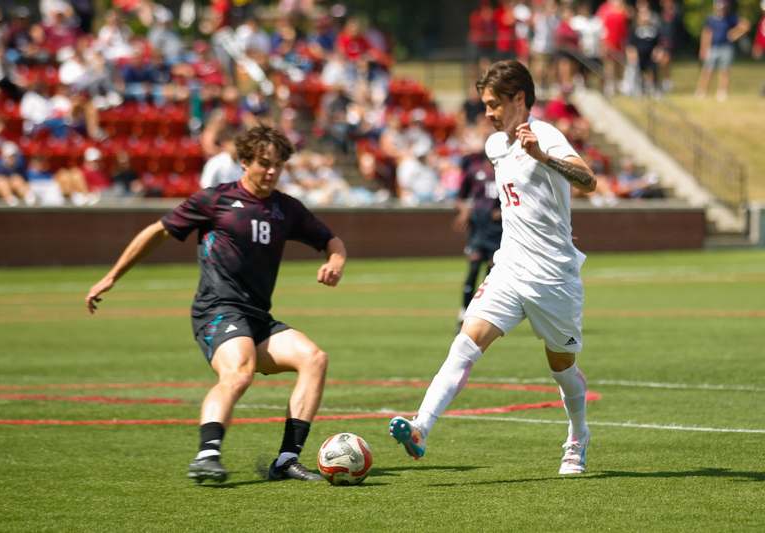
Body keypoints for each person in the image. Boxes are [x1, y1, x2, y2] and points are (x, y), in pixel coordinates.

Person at [85, 126, 347, 484]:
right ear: (244, 162)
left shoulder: (286, 209)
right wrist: (112, 276)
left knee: (314, 358)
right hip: (217, 309)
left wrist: (336, 261)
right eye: (264, 163)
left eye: (278, 166)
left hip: (257, 317)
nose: (271, 172)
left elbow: (332, 240)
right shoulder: (215, 200)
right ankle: (207, 454)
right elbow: (157, 231)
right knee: (239, 371)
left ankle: (286, 460)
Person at [389, 60, 597, 475]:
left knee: (562, 367)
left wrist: (543, 156)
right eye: (484, 104)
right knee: (465, 345)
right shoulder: (495, 146)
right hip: (508, 269)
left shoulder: (547, 135)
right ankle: (421, 428)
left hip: (553, 277)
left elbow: (588, 181)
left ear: (519, 99)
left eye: (493, 104)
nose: (487, 113)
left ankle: (578, 436)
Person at [453, 153, 503, 330]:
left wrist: (504, 212)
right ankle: (464, 311)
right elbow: (460, 197)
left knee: (491, 275)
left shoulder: (508, 171)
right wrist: (464, 210)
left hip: (499, 232)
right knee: (473, 268)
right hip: (478, 230)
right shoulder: (474, 172)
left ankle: (483, 316)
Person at [695, 0, 750, 101]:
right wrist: (703, 48)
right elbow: (706, 33)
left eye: (723, 7)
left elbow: (746, 25)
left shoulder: (731, 18)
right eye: (719, 7)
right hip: (713, 47)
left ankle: (722, 92)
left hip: (726, 48)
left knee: (724, 71)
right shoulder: (710, 19)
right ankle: (702, 91)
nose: (721, 9)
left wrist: (735, 34)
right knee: (707, 70)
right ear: (715, 7)